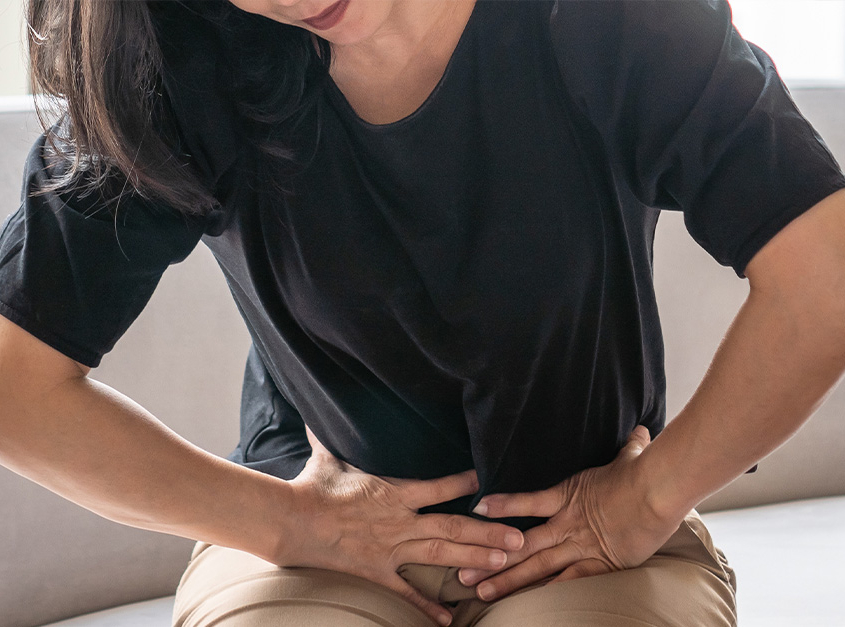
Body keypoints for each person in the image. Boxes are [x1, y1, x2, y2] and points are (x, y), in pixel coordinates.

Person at [1, 0, 844, 625]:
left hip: (584, 542)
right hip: (313, 536)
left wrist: (649, 499)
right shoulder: (179, 59)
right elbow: (15, 383)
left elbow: (823, 278)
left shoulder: (612, 21)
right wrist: (286, 524)